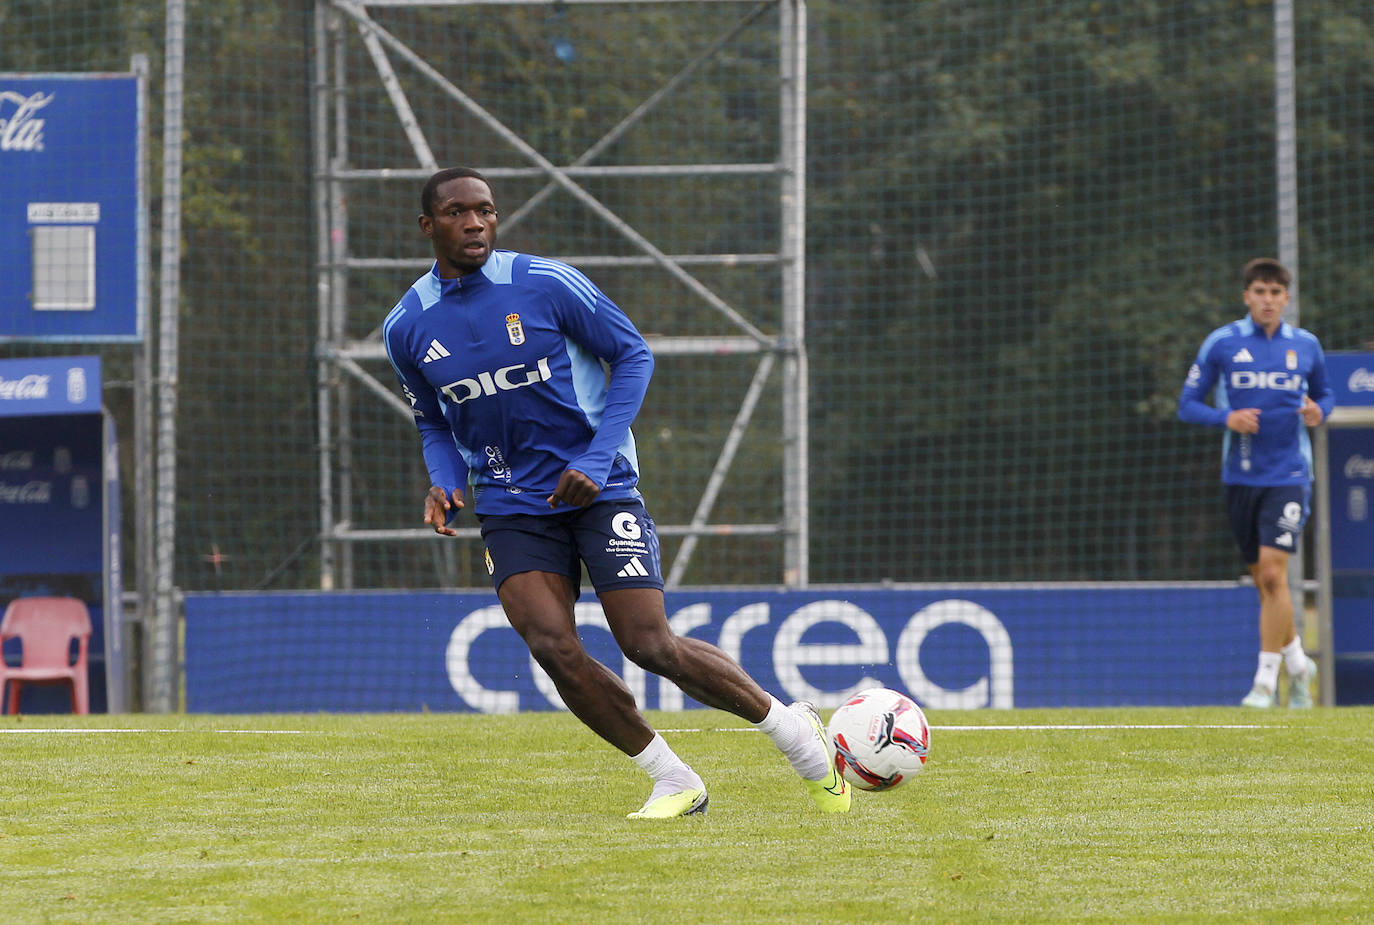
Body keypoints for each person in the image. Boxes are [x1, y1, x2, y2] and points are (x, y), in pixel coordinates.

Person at [382, 167, 849, 817]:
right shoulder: (406, 325)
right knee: (550, 645)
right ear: (428, 226)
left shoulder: (544, 283)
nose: (476, 223)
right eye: (458, 213)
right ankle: (673, 778)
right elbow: (433, 417)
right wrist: (445, 481)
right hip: (512, 503)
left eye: (486, 210)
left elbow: (632, 355)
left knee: (648, 644)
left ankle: (795, 733)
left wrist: (597, 459)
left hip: (598, 491)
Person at [1178, 257, 1334, 708]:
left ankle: (1266, 682)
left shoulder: (1305, 346)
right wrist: (1227, 416)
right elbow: (1188, 404)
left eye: (1276, 292)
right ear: (1247, 296)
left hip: (1289, 473)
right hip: (1240, 477)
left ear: (1287, 298)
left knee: (1272, 572)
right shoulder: (1223, 343)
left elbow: (1325, 395)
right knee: (1266, 585)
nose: (1268, 300)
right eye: (1260, 292)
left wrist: (1319, 411)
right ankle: (1300, 664)